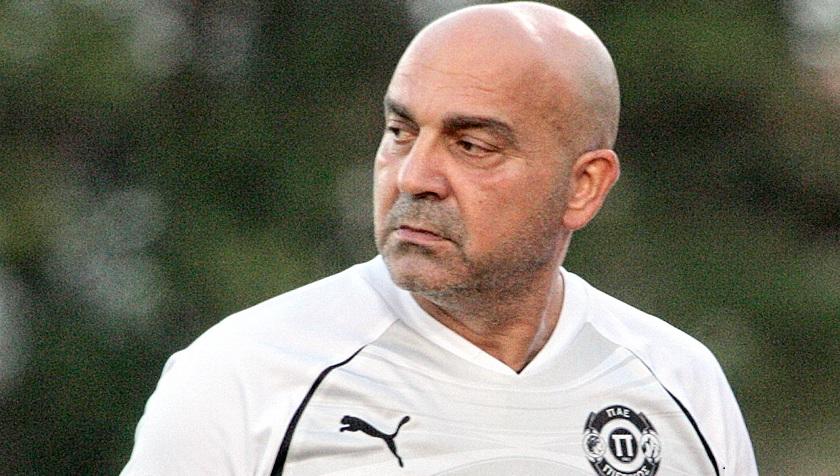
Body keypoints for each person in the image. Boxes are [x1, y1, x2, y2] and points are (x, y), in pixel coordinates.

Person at [122, 2, 757, 475]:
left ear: (583, 186)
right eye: (400, 132)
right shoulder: (244, 379)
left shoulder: (682, 385)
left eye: (471, 145)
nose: (413, 177)